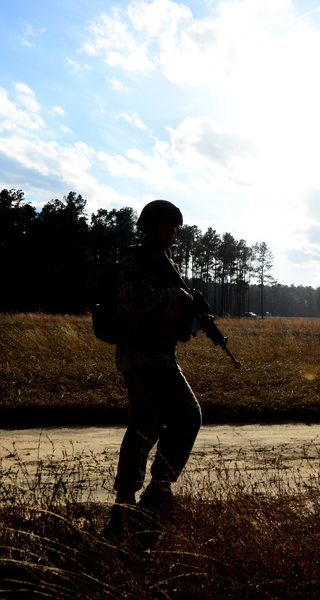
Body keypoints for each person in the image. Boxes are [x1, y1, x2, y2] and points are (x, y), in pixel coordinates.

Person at [104, 199, 201, 536]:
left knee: (145, 426)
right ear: (149, 226)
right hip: (143, 356)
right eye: (166, 224)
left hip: (157, 354)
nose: (173, 230)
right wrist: (182, 300)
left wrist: (190, 314)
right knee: (187, 414)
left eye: (177, 225)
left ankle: (125, 506)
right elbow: (138, 301)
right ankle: (157, 492)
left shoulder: (162, 262)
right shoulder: (137, 260)